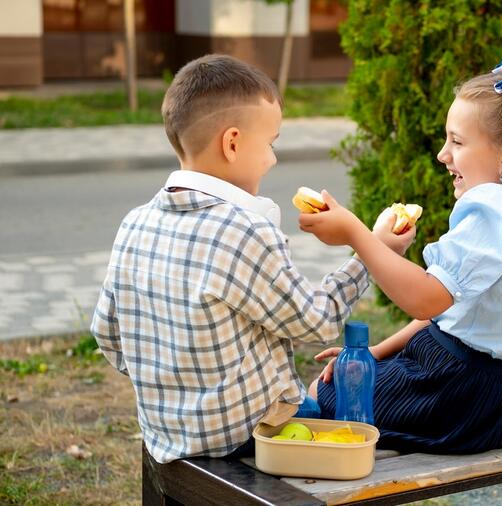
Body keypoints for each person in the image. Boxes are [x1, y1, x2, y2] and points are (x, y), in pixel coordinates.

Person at [90, 54, 413, 463]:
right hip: (244, 435)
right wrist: (373, 250)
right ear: (232, 143)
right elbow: (319, 322)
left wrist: (169, 390)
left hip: (164, 432)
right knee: (340, 403)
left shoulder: (134, 223)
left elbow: (106, 332)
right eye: (270, 144)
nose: (273, 159)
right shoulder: (245, 231)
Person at [299, 53, 502, 454]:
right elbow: (450, 314)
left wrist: (357, 234)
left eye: (456, 142)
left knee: (325, 394)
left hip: (465, 398)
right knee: (360, 374)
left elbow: (427, 297)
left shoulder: (491, 205)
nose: (443, 154)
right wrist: (377, 351)